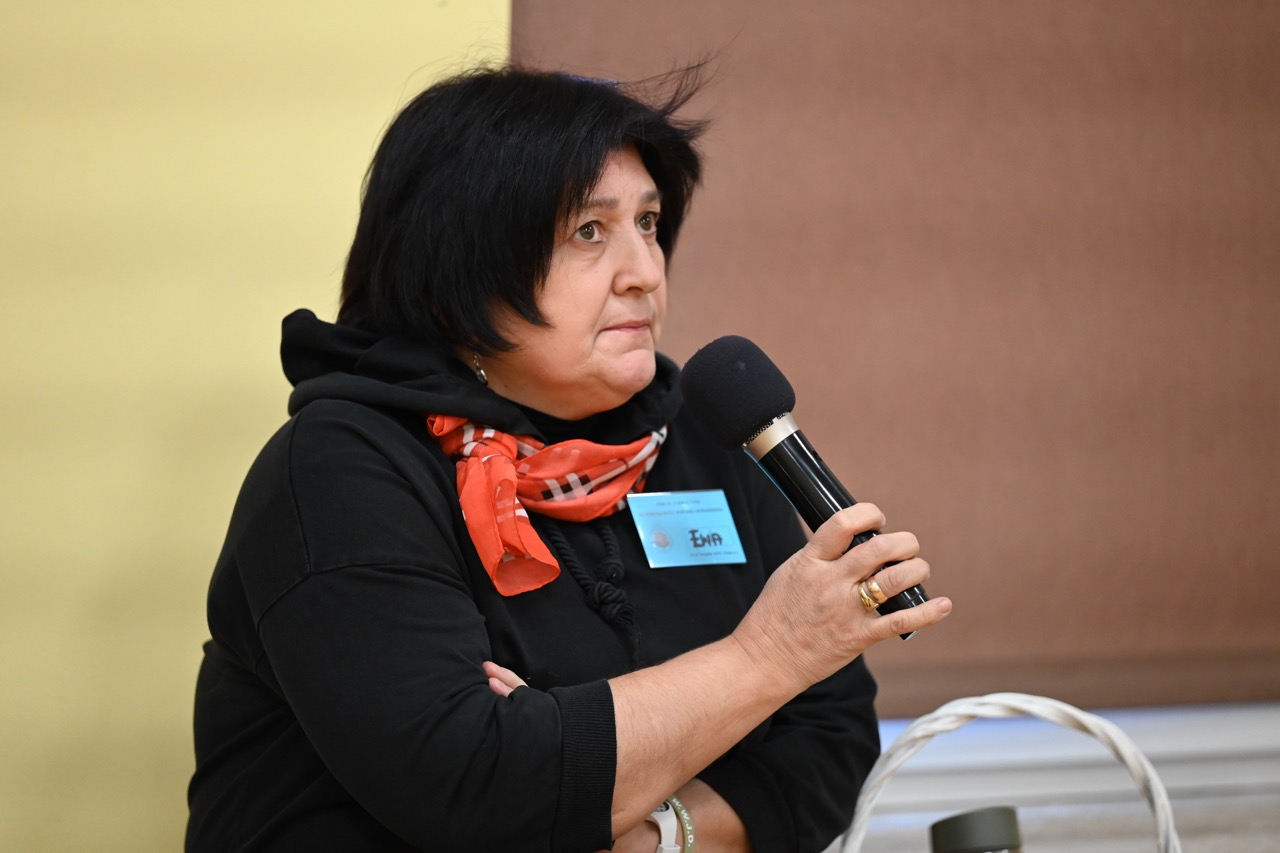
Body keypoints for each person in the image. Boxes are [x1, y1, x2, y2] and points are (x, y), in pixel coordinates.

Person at [185, 64, 951, 853]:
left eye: (648, 223)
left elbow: (828, 737)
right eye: (590, 230)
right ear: (460, 265)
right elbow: (477, 785)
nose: (645, 273)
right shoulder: (341, 470)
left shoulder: (694, 437)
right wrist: (768, 656)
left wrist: (658, 832)